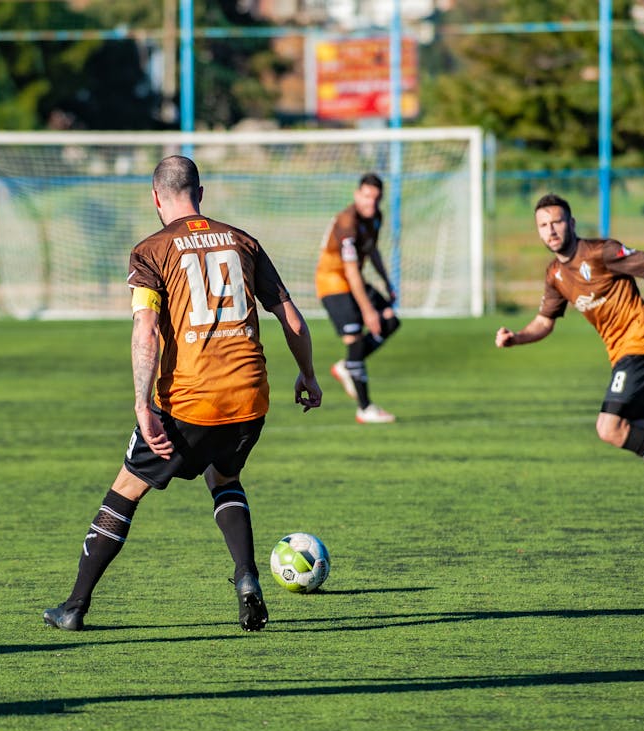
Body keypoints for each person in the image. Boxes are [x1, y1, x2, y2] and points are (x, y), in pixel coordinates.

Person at [42, 155, 322, 633]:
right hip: (250, 396)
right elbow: (291, 318)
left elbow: (145, 330)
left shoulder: (150, 251)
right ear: (200, 192)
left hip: (190, 401)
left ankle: (74, 606)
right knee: (224, 476)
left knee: (125, 490)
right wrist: (308, 375)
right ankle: (247, 577)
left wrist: (141, 405)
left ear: (156, 197)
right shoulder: (243, 241)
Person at [495, 192, 644, 520]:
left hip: (641, 344)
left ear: (572, 223)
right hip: (625, 353)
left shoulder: (600, 253)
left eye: (557, 222)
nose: (551, 231)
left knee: (608, 427)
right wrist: (516, 338)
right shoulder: (555, 275)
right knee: (637, 435)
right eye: (543, 225)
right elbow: (544, 322)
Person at [314, 173, 401, 423]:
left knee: (391, 321)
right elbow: (351, 270)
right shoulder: (346, 222)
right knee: (355, 338)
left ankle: (348, 365)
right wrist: (368, 311)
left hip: (354, 282)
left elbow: (372, 250)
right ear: (356, 194)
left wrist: (386, 281)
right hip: (333, 282)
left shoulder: (375, 217)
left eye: (375, 198)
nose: (370, 202)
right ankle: (365, 408)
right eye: (366, 196)